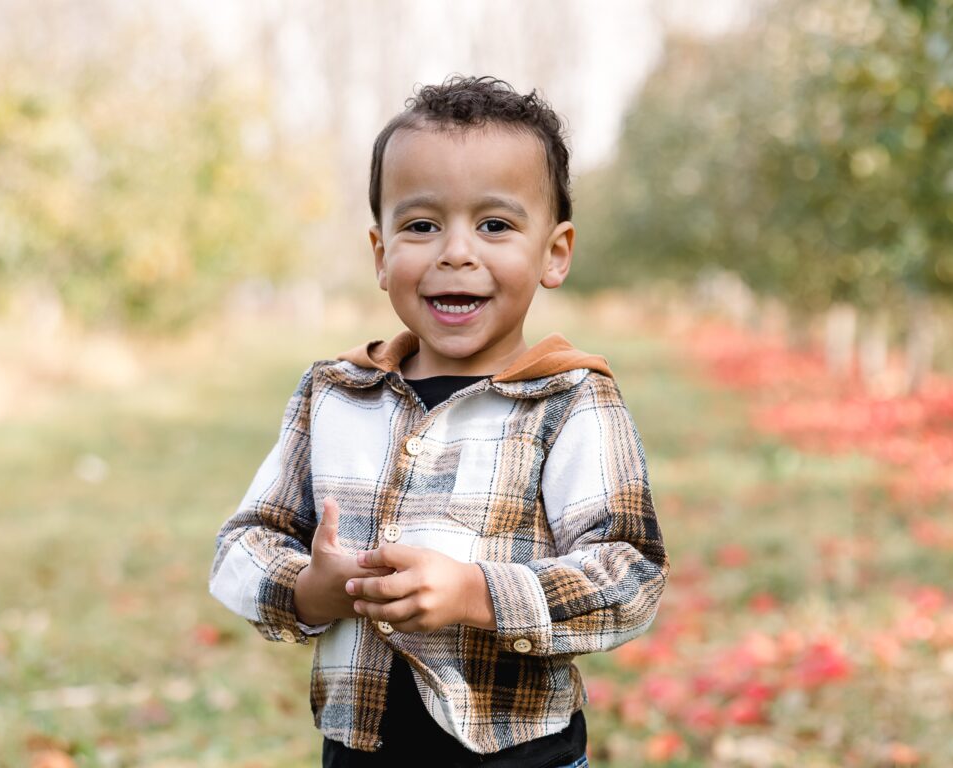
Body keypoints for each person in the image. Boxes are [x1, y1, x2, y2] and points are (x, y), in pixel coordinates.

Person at [208, 75, 670, 767]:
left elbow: (629, 575)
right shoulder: (334, 395)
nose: (456, 252)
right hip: (361, 750)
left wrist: (478, 594)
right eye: (422, 225)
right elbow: (244, 543)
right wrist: (309, 588)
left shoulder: (569, 400)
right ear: (380, 252)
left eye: (495, 225)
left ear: (555, 252)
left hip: (521, 755)